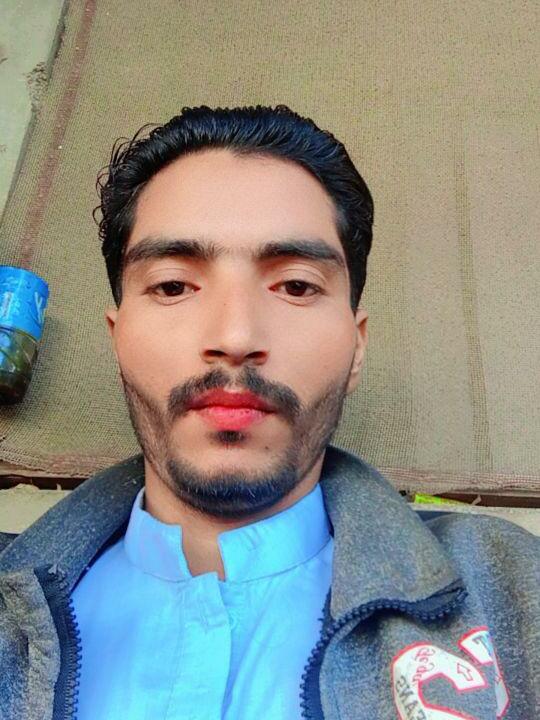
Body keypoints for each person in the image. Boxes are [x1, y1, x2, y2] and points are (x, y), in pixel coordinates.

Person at [0, 105, 537, 720]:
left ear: (357, 345)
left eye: (297, 286)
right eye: (173, 286)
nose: (235, 336)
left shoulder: (516, 592)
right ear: (117, 339)